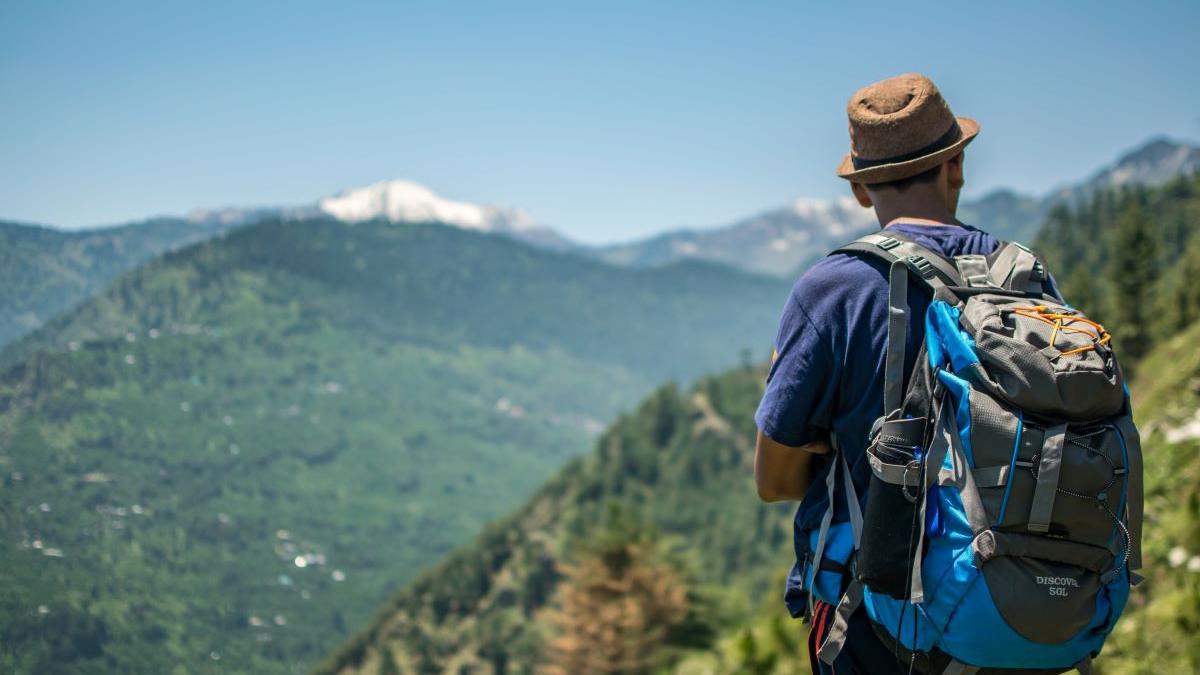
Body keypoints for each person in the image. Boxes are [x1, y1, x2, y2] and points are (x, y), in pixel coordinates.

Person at [754, 73, 1003, 674]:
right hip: (1011, 612)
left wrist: (836, 441)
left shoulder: (834, 290)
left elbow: (774, 481)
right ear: (957, 166)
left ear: (862, 190)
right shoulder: (1020, 279)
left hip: (881, 628)